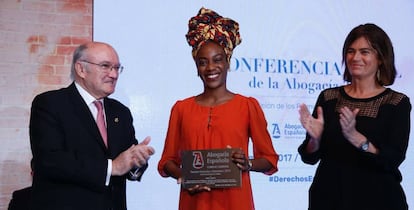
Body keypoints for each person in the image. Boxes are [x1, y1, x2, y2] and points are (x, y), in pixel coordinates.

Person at [157, 7, 279, 210]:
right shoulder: (181, 109)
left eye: (217, 59)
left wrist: (247, 163)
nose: (210, 68)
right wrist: (183, 175)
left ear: (227, 61)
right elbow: (167, 161)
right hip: (193, 203)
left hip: (235, 203)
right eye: (202, 62)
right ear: (197, 67)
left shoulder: (247, 106)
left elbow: (269, 159)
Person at [29, 42, 155, 210]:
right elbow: (50, 160)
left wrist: (137, 161)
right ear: (81, 69)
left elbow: (127, 162)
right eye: (106, 66)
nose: (114, 74)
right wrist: (113, 167)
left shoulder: (120, 112)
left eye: (117, 68)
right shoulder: (51, 104)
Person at [298, 23, 411, 210]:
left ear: (381, 58)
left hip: (379, 200)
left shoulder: (396, 102)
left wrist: (358, 139)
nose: (355, 57)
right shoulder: (329, 97)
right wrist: (315, 140)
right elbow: (309, 157)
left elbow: (393, 159)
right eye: (351, 51)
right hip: (329, 199)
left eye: (364, 52)